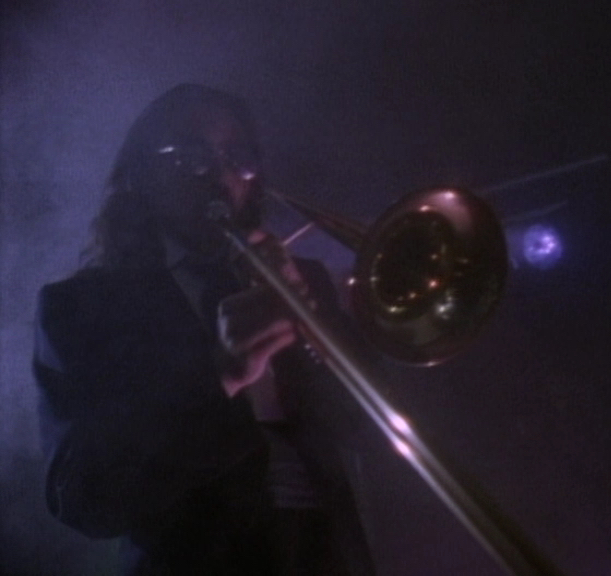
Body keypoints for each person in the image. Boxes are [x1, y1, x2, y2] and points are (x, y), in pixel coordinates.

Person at [32, 84, 376, 576]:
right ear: (143, 175)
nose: (219, 174)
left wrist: (316, 328)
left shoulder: (303, 279)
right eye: (191, 156)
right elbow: (85, 497)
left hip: (324, 556)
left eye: (237, 157)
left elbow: (365, 429)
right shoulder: (81, 308)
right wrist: (220, 375)